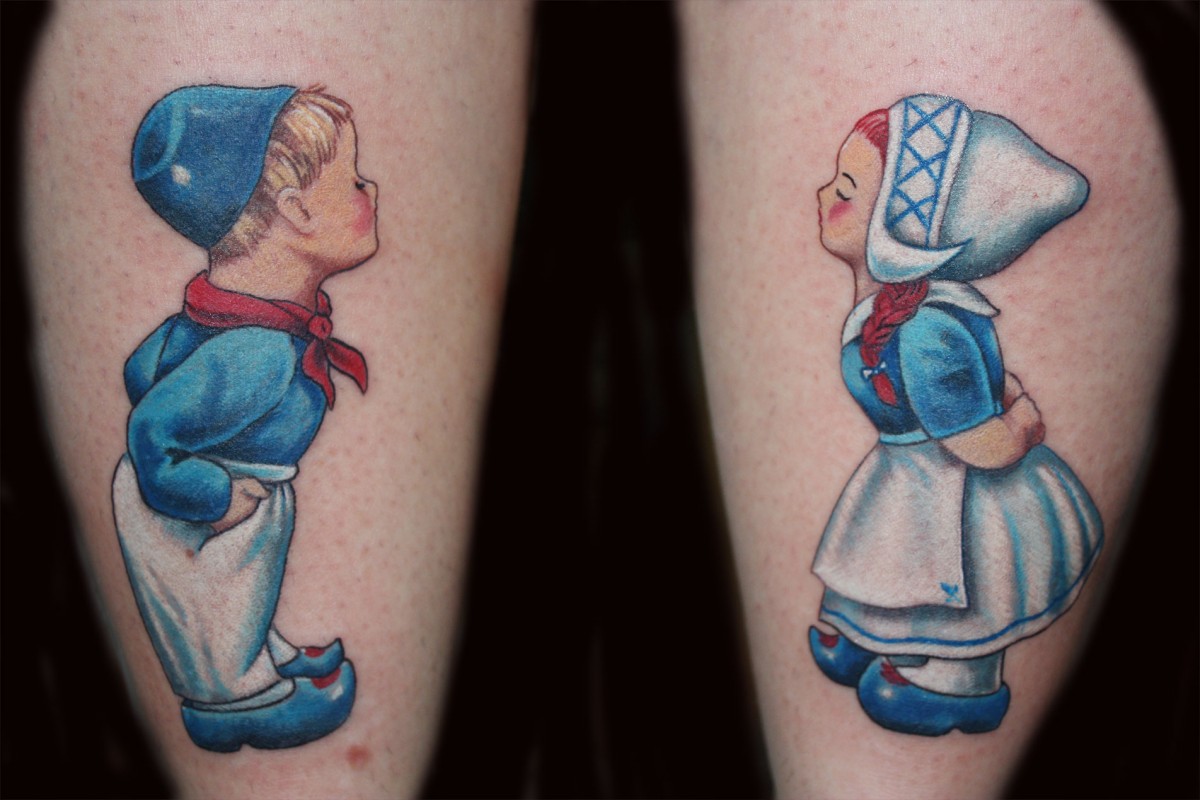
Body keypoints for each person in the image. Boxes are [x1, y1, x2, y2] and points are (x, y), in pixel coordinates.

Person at [807, 95, 1103, 735]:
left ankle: (958, 682)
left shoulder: (928, 332)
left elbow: (982, 445)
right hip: (908, 476)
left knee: (958, 580)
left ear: (901, 232)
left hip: (959, 489)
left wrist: (1022, 424)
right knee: (892, 553)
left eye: (848, 190)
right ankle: (877, 635)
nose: (824, 193)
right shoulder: (886, 314)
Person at [114, 85, 373, 751]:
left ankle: (266, 656)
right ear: (295, 211)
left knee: (241, 597)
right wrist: (215, 496)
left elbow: (141, 371)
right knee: (217, 610)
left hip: (212, 482)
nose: (370, 190)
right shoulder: (256, 352)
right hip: (200, 500)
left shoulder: (222, 325)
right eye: (352, 181)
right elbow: (149, 430)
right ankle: (236, 702)